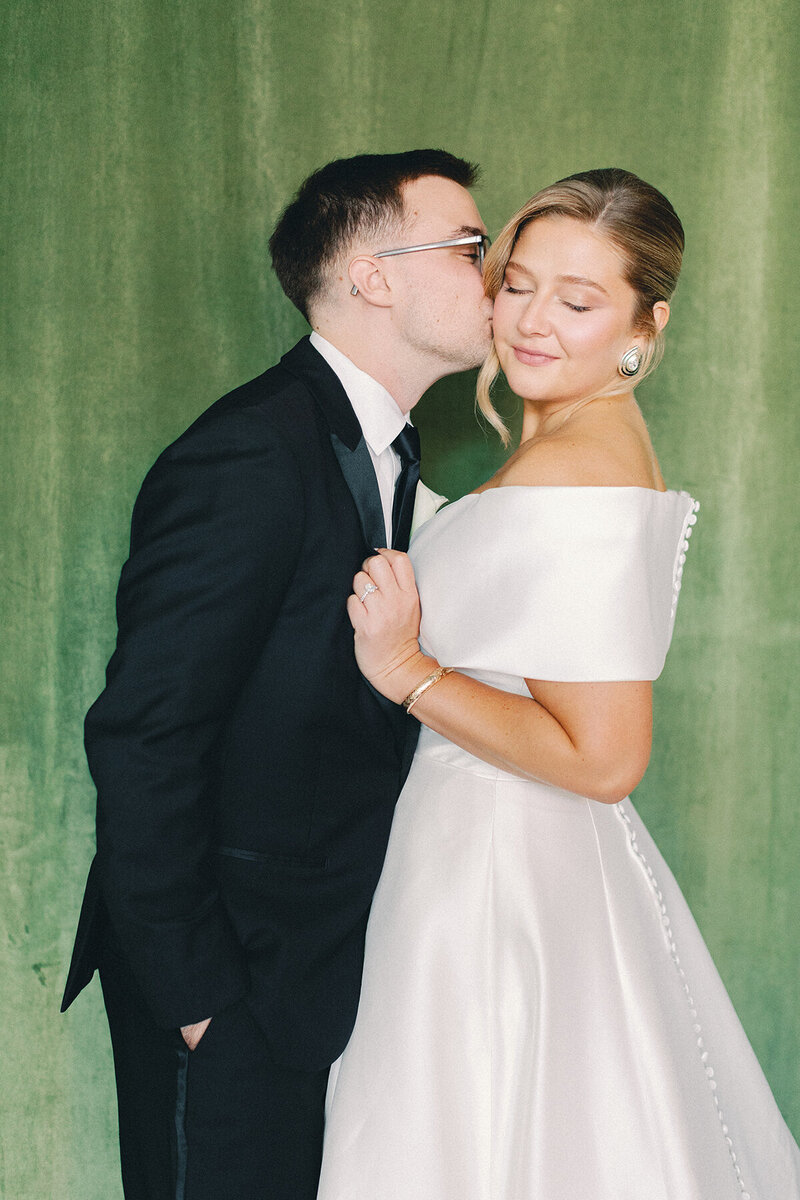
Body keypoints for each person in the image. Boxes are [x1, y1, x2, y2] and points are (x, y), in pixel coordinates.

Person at [316, 168, 800, 1199]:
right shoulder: (574, 448)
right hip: (498, 858)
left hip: (498, 877)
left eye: (577, 302)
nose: (531, 322)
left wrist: (406, 671)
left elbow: (604, 756)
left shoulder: (576, 472)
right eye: (517, 282)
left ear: (643, 325)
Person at [60, 148, 493, 1200]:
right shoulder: (252, 453)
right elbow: (143, 736)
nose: (494, 272)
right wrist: (201, 1003)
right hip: (229, 982)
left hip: (323, 978)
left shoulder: (386, 456)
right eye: (470, 247)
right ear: (375, 277)